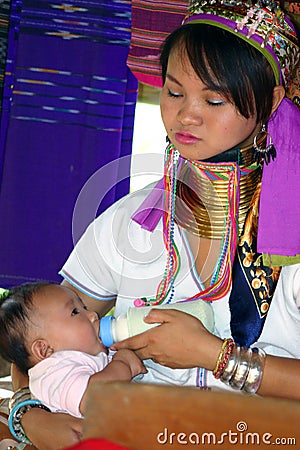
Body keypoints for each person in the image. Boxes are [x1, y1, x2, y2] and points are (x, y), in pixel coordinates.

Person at [9, 0, 300, 449]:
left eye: (215, 99)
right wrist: (26, 411)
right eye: (174, 91)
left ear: (270, 102)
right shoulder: (133, 221)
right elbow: (36, 331)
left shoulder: (293, 233)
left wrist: (215, 357)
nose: (187, 115)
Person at [0, 282, 146, 420]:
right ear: (44, 349)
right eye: (75, 312)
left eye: (84, 307)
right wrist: (123, 363)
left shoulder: (88, 354)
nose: (93, 314)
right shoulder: (54, 373)